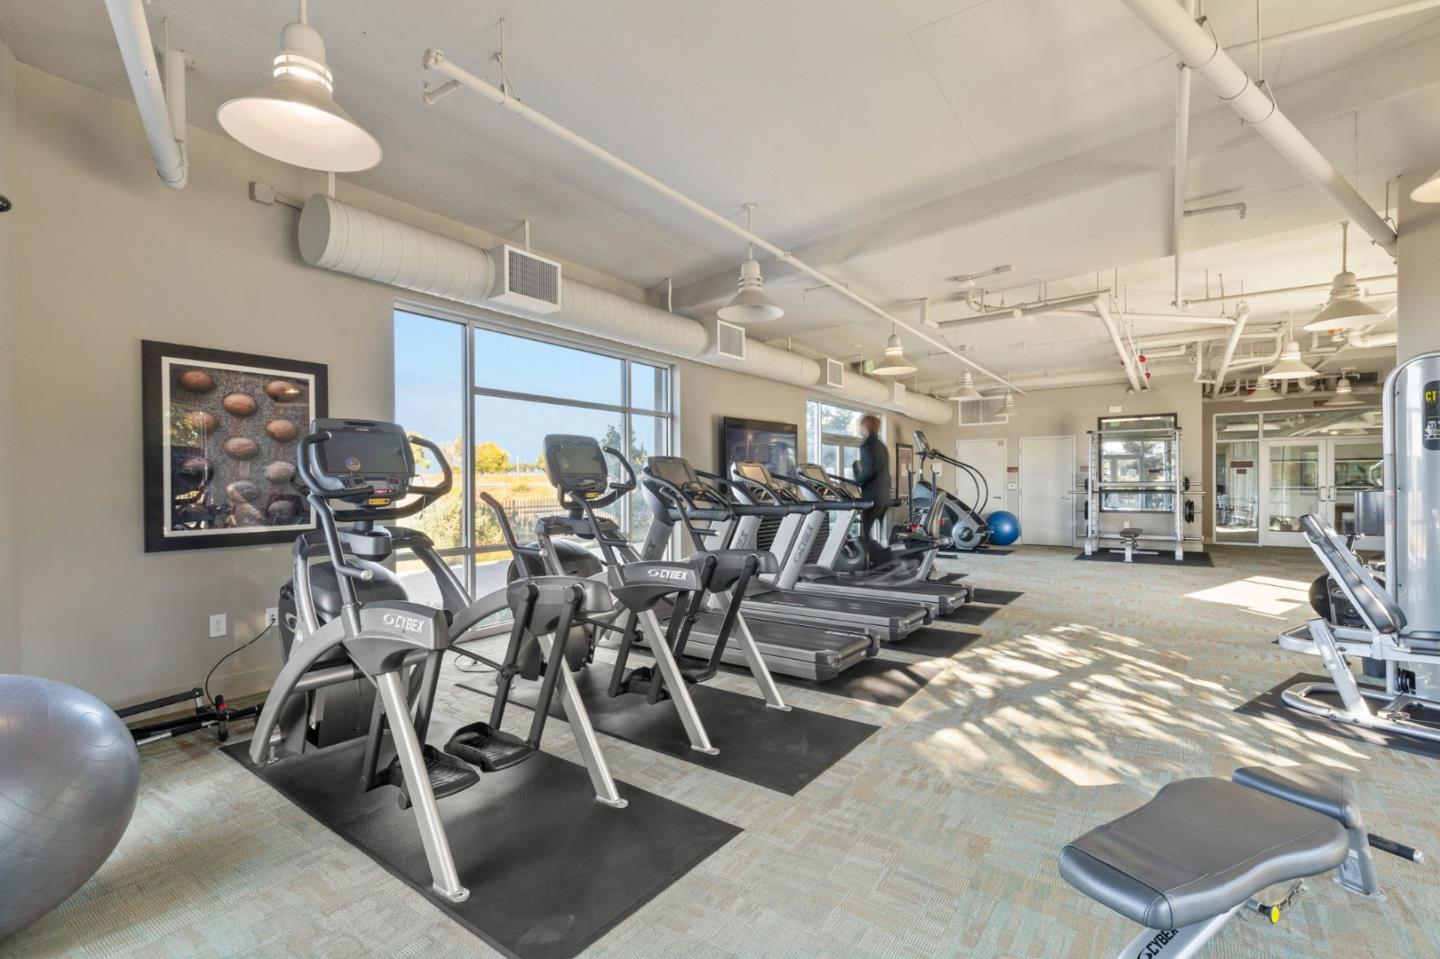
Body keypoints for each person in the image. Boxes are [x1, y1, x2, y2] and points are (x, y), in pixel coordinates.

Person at [851, 414, 891, 567]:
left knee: (865, 532)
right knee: (879, 532)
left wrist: (857, 481)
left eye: (861, 426)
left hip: (872, 496)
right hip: (884, 495)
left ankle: (867, 563)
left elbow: (869, 470)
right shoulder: (882, 446)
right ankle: (882, 559)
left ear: (865, 427)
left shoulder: (867, 445)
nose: (860, 429)